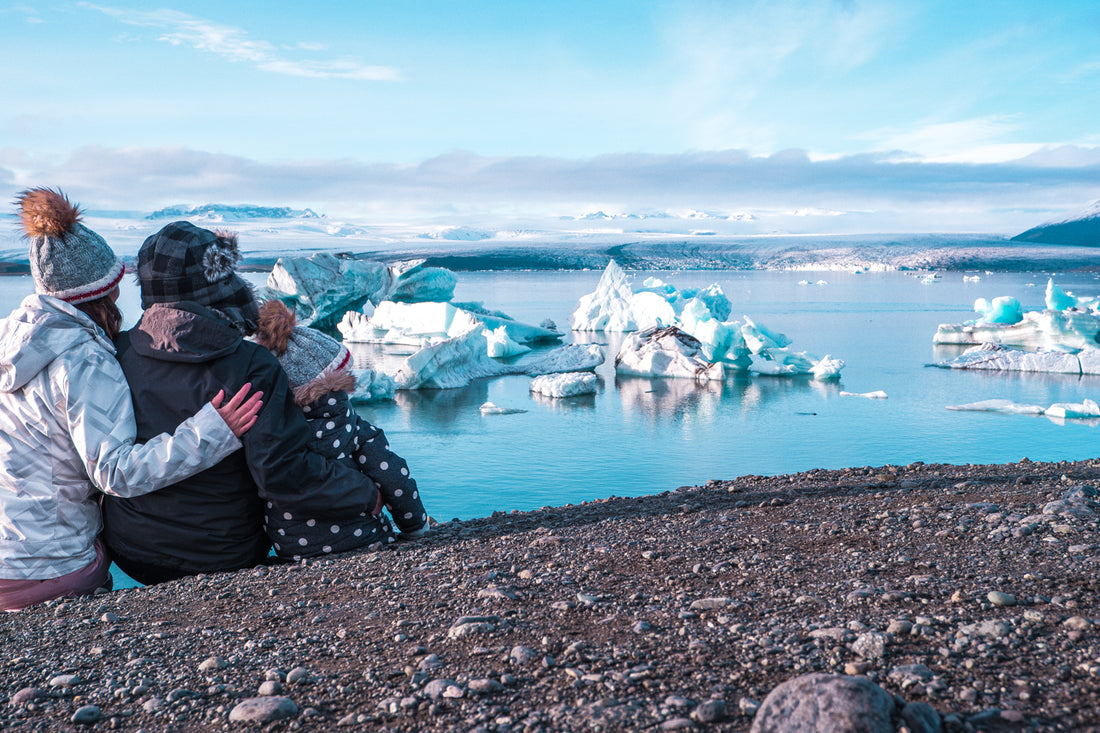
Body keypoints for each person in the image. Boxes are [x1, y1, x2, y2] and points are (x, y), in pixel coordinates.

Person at [0, 188, 264, 611]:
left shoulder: (10, 342)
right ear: (102, 291)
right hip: (50, 569)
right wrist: (212, 430)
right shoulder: (84, 359)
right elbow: (114, 473)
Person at [101, 221, 382, 584]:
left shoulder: (118, 350)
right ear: (216, 281)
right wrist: (364, 493)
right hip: (222, 553)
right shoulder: (250, 363)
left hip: (130, 551)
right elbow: (282, 474)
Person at [253, 300, 429, 558]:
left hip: (291, 547)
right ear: (337, 380)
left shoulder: (269, 432)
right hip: (362, 538)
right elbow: (393, 475)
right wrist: (415, 526)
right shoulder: (351, 426)